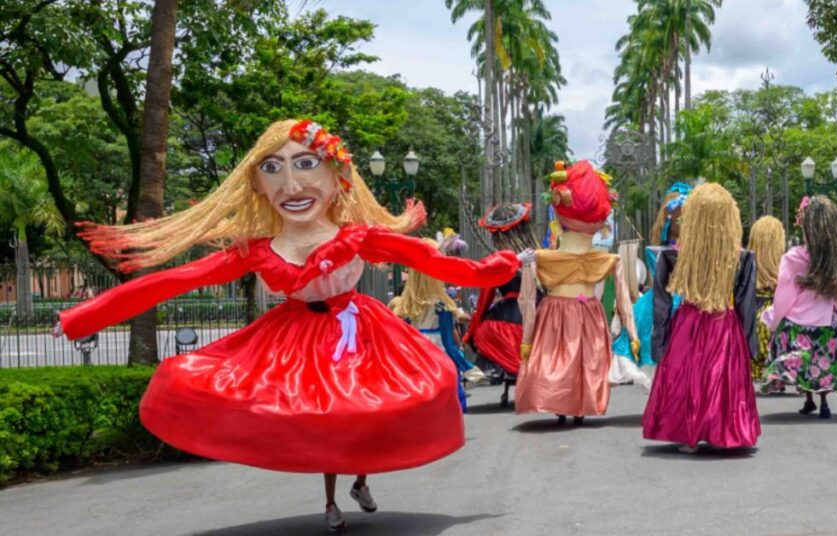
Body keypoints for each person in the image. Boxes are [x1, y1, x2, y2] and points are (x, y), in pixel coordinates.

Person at [55, 119, 520, 532]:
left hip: (358, 331)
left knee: (374, 408)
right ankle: (332, 499)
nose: (292, 183)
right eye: (273, 169)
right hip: (295, 338)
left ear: (337, 176)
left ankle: (360, 481)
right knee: (323, 420)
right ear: (257, 184)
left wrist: (501, 266)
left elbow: (440, 264)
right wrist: (80, 318)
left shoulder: (359, 237)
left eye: (306, 163)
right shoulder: (258, 249)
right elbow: (170, 282)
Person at [516, 161, 639, 425]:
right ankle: (577, 406)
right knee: (585, 359)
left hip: (558, 311)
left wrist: (527, 338)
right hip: (587, 312)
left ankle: (565, 405)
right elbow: (624, 299)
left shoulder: (539, 258)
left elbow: (526, 299)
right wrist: (632, 334)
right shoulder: (608, 259)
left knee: (561, 358)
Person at [643, 183, 761, 453]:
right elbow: (746, 305)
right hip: (723, 324)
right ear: (729, 216)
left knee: (690, 376)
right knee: (721, 378)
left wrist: (659, 343)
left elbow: (660, 302)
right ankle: (723, 431)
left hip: (689, 322)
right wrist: (749, 344)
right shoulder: (742, 257)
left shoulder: (674, 254)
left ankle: (690, 435)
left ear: (691, 215)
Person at [761, 195, 837, 419]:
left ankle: (808, 399)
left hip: (801, 321)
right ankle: (823, 402)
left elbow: (785, 295)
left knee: (804, 360)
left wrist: (775, 319)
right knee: (824, 361)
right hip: (832, 322)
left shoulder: (794, 258)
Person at [390, 238, 489, 412]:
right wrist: (468, 368)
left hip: (413, 352)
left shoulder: (404, 305)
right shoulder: (440, 304)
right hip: (436, 353)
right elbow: (449, 344)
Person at [463, 202, 542, 406]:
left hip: (505, 317)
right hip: (537, 313)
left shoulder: (498, 261)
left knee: (485, 331)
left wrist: (471, 330)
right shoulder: (540, 255)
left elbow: (484, 300)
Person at [611, 182, 690, 381]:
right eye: (678, 214)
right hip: (666, 297)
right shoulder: (659, 249)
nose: (681, 219)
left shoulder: (697, 245)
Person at [746, 216, 786, 389]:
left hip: (754, 309)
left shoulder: (747, 262)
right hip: (778, 310)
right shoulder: (785, 264)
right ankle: (777, 373)